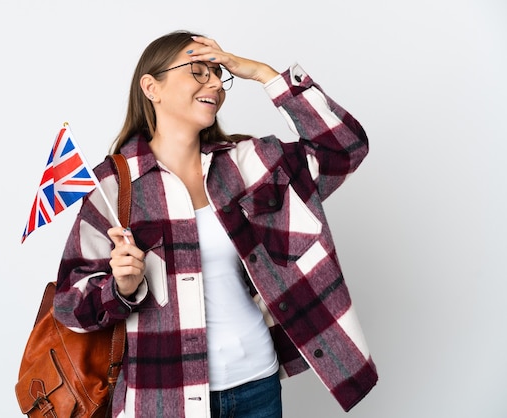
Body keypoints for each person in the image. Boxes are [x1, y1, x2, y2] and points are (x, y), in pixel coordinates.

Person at [53, 30, 378, 418]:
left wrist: (263, 75)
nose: (214, 83)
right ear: (151, 87)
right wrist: (119, 288)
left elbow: (344, 148)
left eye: (217, 73)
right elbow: (69, 305)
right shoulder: (112, 187)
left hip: (257, 386)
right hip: (164, 400)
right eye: (197, 70)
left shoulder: (248, 164)